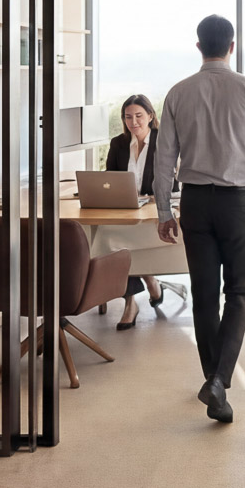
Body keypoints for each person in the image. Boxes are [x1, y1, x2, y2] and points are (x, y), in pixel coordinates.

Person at [154, 14, 245, 424]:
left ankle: (214, 382)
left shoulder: (177, 93)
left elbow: (164, 157)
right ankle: (219, 381)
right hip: (238, 204)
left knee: (205, 295)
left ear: (199, 47)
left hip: (194, 203)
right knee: (241, 292)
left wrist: (164, 210)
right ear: (231, 47)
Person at [105, 94, 165, 331]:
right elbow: (109, 179)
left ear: (150, 116)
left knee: (127, 244)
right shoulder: (118, 143)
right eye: (128, 117)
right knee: (115, 243)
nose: (134, 122)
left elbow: (173, 181)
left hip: (154, 210)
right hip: (126, 209)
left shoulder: (164, 141)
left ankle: (148, 279)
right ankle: (132, 301)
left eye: (139, 116)